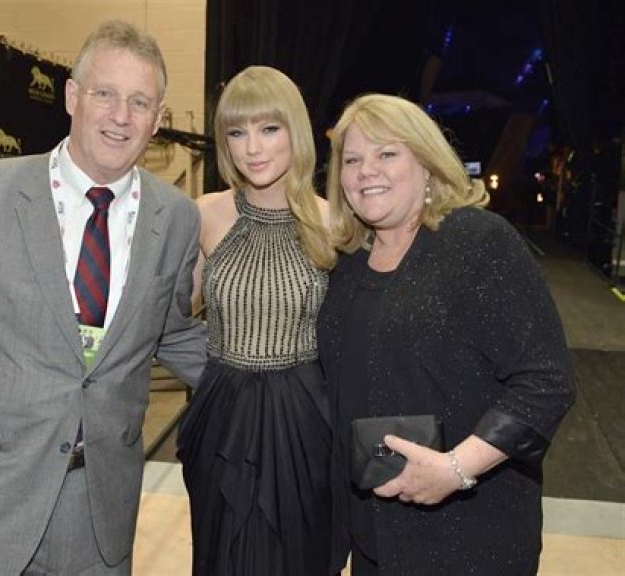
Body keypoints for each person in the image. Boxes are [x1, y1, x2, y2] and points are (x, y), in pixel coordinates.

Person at [0, 20, 206, 575]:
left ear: (158, 118)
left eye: (140, 102)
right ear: (72, 96)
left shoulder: (177, 219)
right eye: (105, 93)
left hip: (100, 510)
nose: (121, 116)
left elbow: (172, 332)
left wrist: (282, 376)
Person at [317, 93, 575, 575]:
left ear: (426, 162)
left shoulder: (478, 242)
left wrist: (455, 469)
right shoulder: (348, 266)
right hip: (373, 536)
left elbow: (546, 380)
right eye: (352, 160)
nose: (366, 170)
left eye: (386, 153)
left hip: (468, 537)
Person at [176, 66, 336, 575]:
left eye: (269, 128)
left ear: (296, 131)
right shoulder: (204, 214)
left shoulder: (333, 222)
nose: (252, 148)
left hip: (303, 422)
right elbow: (167, 319)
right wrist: (210, 373)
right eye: (237, 132)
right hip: (222, 418)